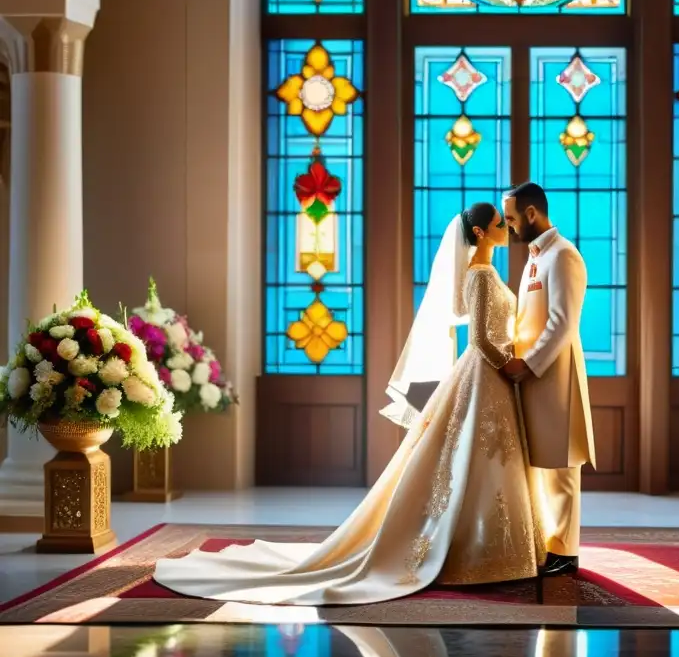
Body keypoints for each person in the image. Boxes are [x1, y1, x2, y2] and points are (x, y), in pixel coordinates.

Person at [152, 203, 545, 605]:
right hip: (488, 373)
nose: (507, 229)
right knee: (472, 462)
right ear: (480, 233)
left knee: (483, 463)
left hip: (491, 379)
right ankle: (470, 553)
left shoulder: (488, 272)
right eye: (500, 224)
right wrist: (510, 365)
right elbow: (479, 339)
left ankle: (492, 550)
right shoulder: (479, 276)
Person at [501, 182, 595, 577]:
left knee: (562, 466)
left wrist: (529, 363)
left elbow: (563, 323)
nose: (508, 227)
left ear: (531, 214)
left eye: (511, 219)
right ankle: (551, 544)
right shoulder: (535, 258)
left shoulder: (565, 256)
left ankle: (567, 553)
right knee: (543, 465)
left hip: (556, 377)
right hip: (534, 378)